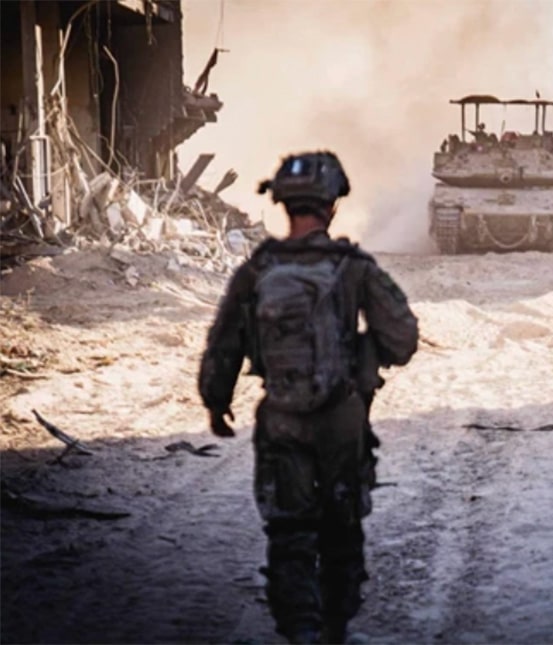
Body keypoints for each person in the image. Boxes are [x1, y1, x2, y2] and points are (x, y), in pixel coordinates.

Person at [198, 151, 419, 644]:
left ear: (282, 204)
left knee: (289, 535)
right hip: (342, 416)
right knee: (342, 530)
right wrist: (367, 356)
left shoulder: (257, 269)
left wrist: (216, 403)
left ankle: (299, 630)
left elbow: (224, 343)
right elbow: (403, 339)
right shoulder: (353, 267)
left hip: (281, 416)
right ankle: (335, 629)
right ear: (332, 204)